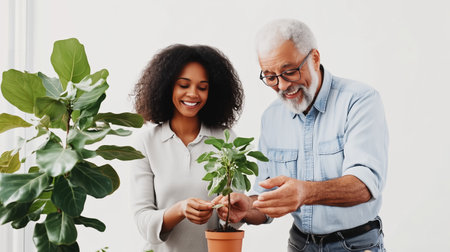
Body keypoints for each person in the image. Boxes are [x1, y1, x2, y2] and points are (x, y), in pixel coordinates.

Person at [213, 19, 388, 251]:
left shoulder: (358, 101)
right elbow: (267, 194)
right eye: (270, 76)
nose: (282, 85)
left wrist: (305, 192)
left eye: (289, 71)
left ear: (314, 58)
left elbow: (365, 185)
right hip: (300, 244)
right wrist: (248, 207)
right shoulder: (272, 117)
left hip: (354, 245)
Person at [130, 44, 244, 252]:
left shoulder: (225, 139)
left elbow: (235, 219)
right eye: (184, 85)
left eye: (202, 87)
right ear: (167, 86)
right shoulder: (146, 142)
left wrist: (233, 211)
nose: (193, 94)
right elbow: (142, 220)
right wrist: (179, 210)